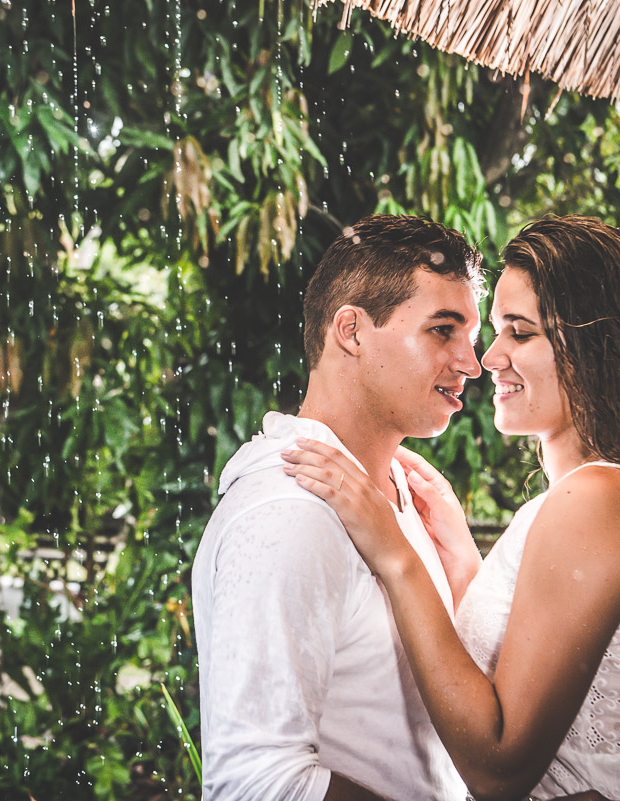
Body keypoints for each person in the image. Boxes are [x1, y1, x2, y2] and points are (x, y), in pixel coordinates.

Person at [283, 215, 620, 801]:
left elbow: (499, 768)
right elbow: (527, 675)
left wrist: (395, 552)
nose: (488, 358)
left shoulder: (596, 502)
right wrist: (462, 562)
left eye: (520, 331)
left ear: (596, 344)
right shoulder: (615, 498)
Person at [192, 214, 484, 801]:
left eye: (471, 339)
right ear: (350, 331)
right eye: (442, 330)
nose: (471, 365)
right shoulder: (288, 512)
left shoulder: (402, 499)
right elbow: (256, 784)